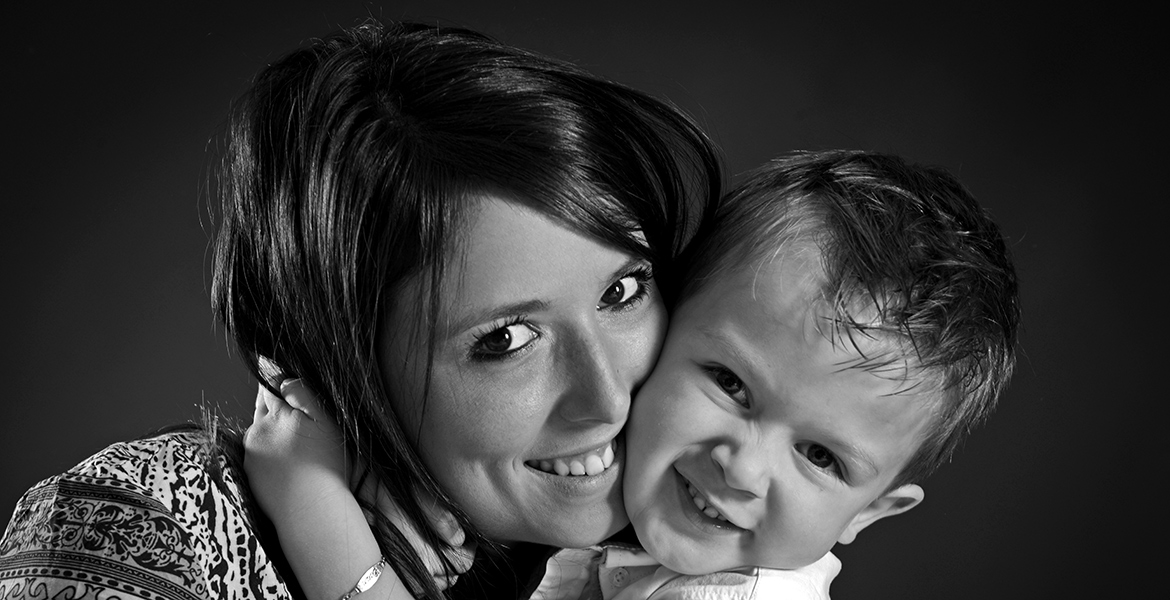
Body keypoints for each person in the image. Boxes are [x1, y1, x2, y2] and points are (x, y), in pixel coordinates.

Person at [0, 20, 721, 600]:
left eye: (622, 292)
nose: (605, 400)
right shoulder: (140, 528)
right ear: (342, 356)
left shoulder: (683, 551)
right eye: (505, 338)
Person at [254, 150, 1019, 599]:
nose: (743, 468)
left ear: (871, 512)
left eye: (821, 457)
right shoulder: (629, 544)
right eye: (730, 385)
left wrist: (314, 506)